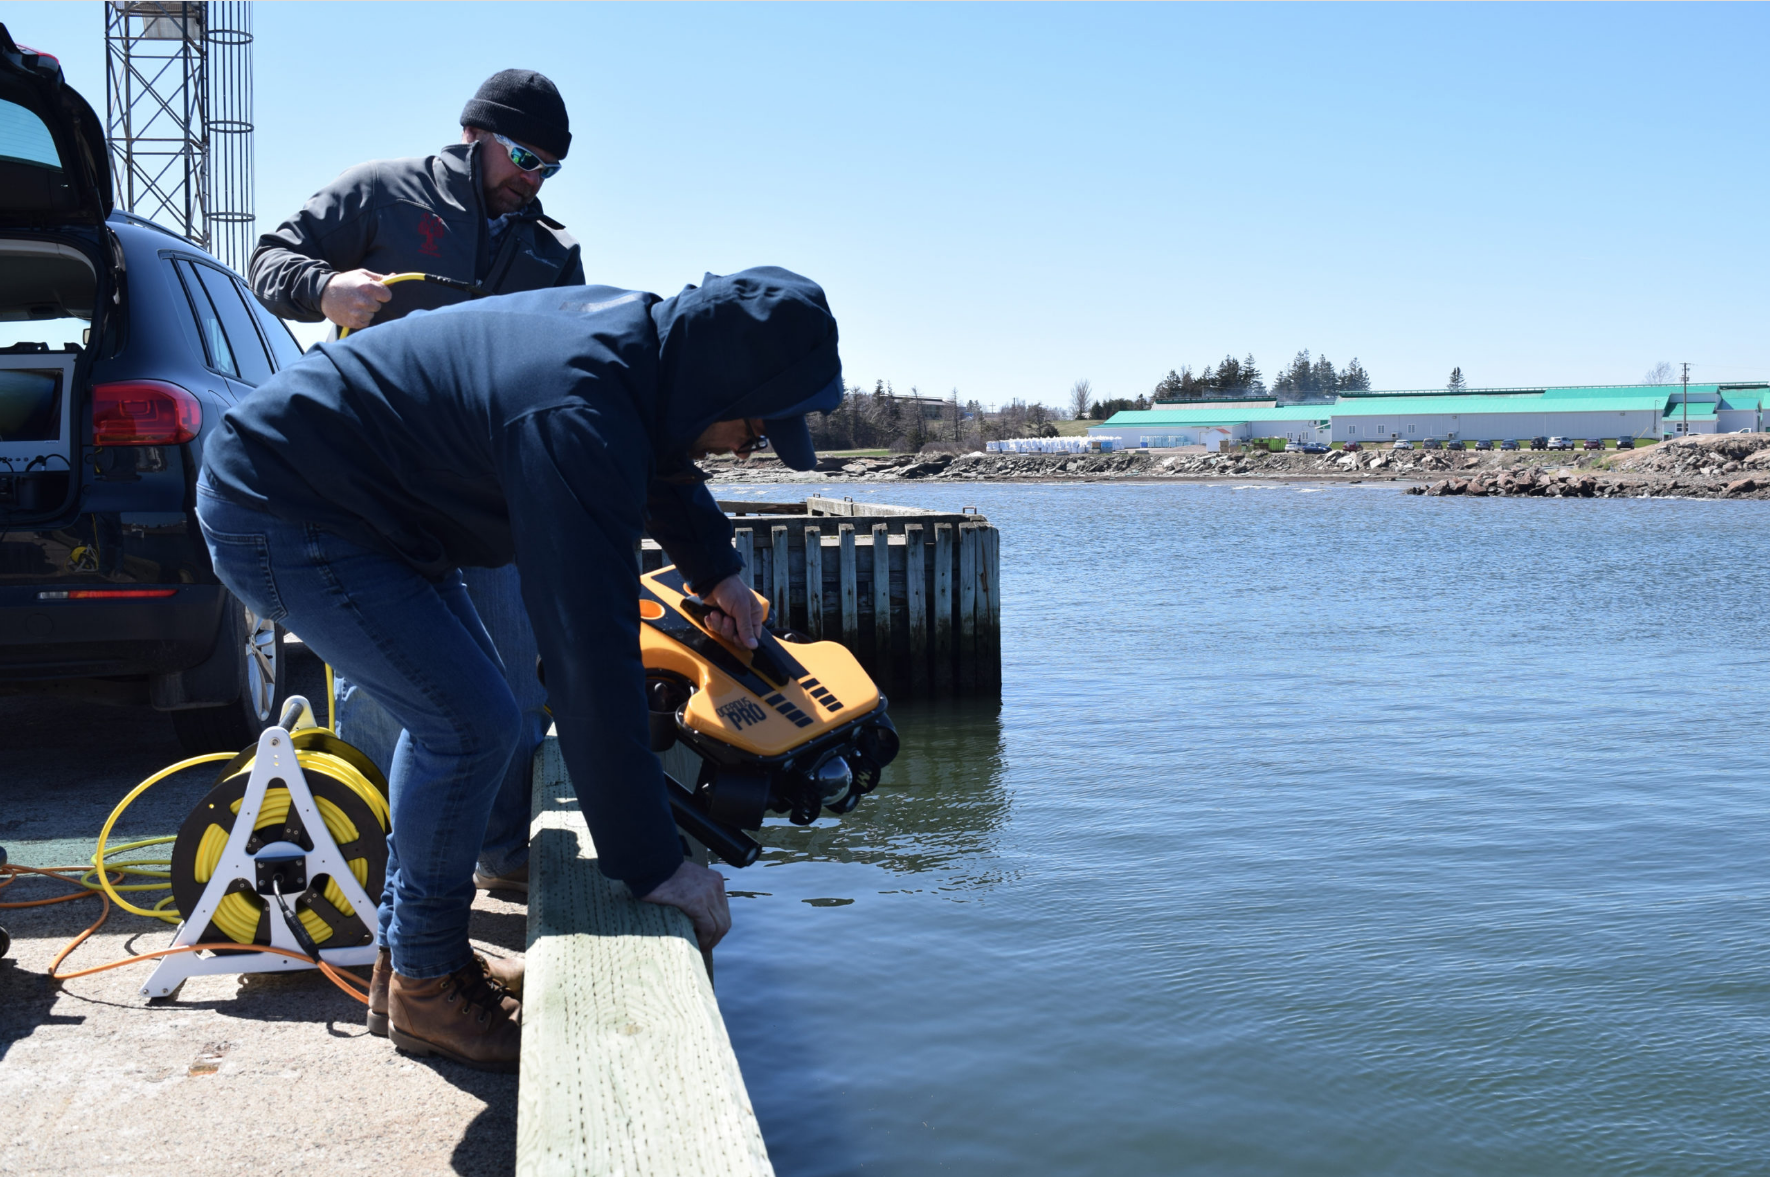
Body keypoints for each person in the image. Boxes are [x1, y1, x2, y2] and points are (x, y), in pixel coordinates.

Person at [197, 267, 842, 1072]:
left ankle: (411, 964)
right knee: (471, 725)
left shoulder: (644, 353)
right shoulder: (577, 410)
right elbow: (589, 651)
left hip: (373, 505)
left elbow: (662, 454)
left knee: (471, 713)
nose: (750, 447)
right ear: (722, 386)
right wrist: (653, 864)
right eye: (754, 426)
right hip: (285, 504)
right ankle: (429, 986)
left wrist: (717, 569)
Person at [248, 70, 585, 901]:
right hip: (374, 498)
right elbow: (267, 259)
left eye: (550, 168)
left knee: (508, 684)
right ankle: (361, 861)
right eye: (522, 157)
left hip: (488, 511)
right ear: (476, 134)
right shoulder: (381, 193)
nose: (532, 179)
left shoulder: (550, 254)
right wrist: (324, 287)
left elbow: (576, 386)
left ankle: (502, 852)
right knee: (388, 692)